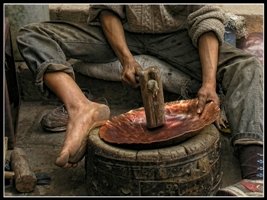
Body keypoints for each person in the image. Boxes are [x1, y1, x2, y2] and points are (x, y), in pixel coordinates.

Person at [16, 5, 263, 196]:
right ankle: (80, 106)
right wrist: (126, 59)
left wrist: (208, 84)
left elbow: (206, 17)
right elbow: (107, 9)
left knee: (246, 65)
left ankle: (256, 175)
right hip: (121, 35)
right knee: (32, 34)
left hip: (177, 37)